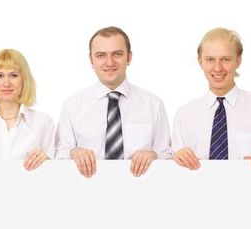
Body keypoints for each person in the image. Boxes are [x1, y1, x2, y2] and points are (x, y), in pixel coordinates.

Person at [54, 26, 169, 178]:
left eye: (117, 54)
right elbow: (59, 155)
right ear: (91, 60)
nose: (109, 62)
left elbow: (167, 156)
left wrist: (154, 155)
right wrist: (73, 152)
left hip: (140, 189)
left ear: (129, 57)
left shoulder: (153, 104)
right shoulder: (72, 105)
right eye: (101, 55)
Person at [172, 28, 251, 171]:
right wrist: (175, 159)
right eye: (210, 59)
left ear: (238, 60)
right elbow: (170, 173)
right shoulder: (184, 115)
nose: (217, 68)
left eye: (225, 59)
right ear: (200, 61)